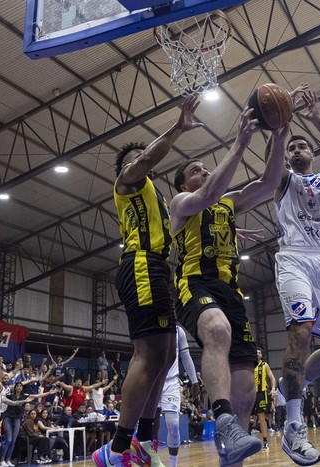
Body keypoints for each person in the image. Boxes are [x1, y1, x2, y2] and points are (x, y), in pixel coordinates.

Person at [170, 106, 289, 466]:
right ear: (181, 184)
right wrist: (239, 143)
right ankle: (219, 417)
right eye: (195, 170)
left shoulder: (230, 203)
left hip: (232, 294)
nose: (203, 171)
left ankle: (231, 448)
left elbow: (269, 183)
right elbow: (207, 194)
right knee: (217, 330)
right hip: (195, 284)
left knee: (246, 395)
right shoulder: (180, 204)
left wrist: (280, 137)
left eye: (205, 167)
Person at [93, 96, 203, 467]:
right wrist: (177, 127)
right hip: (140, 266)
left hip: (158, 270)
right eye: (134, 159)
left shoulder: (155, 197)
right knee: (148, 353)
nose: (140, 161)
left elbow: (179, 224)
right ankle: (117, 449)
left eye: (141, 158)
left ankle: (140, 438)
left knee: (167, 355)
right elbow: (145, 159)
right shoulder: (127, 183)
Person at [273, 87, 320, 466]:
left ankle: (289, 386)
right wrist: (280, 132)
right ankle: (292, 426)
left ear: (313, 153)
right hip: (293, 259)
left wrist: (316, 118)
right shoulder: (283, 180)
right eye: (293, 149)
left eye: (303, 147)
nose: (298, 151)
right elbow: (273, 167)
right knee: (301, 332)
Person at [152, 325, 199, 467]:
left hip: (171, 382)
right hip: (152, 381)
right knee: (151, 426)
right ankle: (152, 461)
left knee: (173, 425)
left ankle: (173, 465)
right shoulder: (150, 323)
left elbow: (185, 356)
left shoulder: (179, 331)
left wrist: (194, 381)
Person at [253, 348, 276, 451]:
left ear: (261, 355)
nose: (257, 354)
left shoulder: (264, 365)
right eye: (256, 352)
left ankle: (265, 441)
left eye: (259, 352)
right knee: (250, 416)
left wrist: (273, 388)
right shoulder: (250, 366)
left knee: (261, 416)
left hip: (262, 393)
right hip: (251, 394)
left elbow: (272, 378)